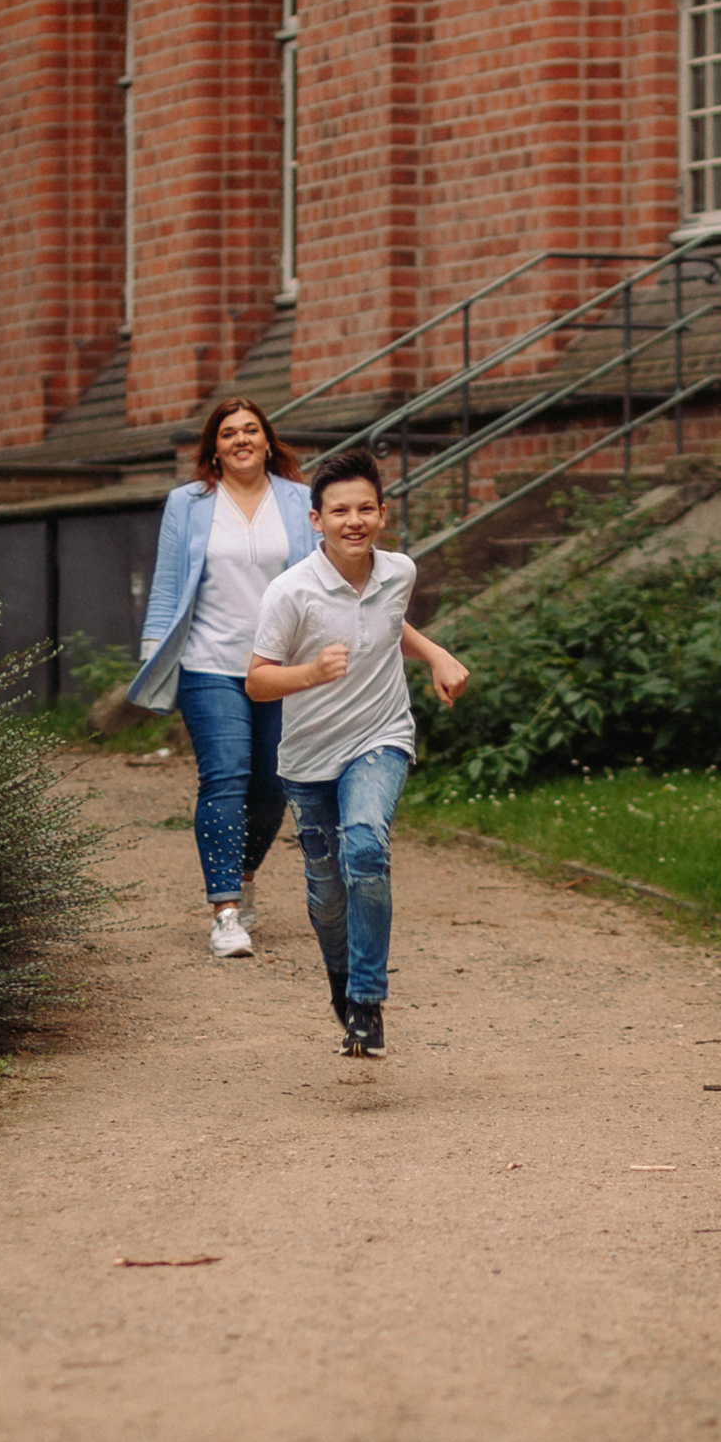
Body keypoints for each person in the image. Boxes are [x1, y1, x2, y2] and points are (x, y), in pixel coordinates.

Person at [247, 444, 468, 1057]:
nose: (354, 521)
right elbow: (258, 680)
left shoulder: (399, 570)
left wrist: (436, 656)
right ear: (315, 519)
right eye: (339, 510)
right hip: (308, 756)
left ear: (382, 513)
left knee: (366, 845)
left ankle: (368, 1001)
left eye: (365, 509)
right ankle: (343, 987)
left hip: (380, 736)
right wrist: (312, 673)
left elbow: (389, 620)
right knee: (326, 890)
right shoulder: (290, 593)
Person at [129, 397, 316, 959]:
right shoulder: (187, 503)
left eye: (251, 430)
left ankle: (244, 871)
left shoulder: (301, 501)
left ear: (267, 440)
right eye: (229, 432)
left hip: (280, 666)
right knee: (227, 777)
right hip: (208, 663)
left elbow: (320, 578)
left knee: (273, 785)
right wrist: (152, 661)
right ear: (214, 446)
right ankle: (226, 911)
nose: (241, 440)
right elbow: (167, 586)